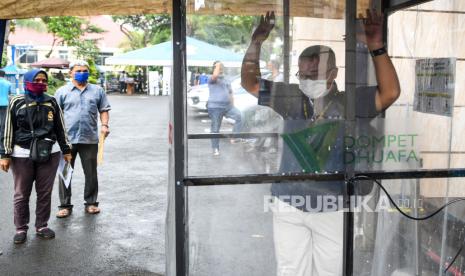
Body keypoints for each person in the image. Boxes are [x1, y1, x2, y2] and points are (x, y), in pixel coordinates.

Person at [241, 10, 400, 276]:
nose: (307, 80)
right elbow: (250, 83)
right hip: (288, 203)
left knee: (332, 270)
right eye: (302, 75)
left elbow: (391, 92)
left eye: (314, 74)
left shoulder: (351, 101)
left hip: (333, 206)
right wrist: (256, 43)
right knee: (291, 270)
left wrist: (376, 48)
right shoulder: (290, 96)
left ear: (333, 73)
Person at [0, 69, 72, 244]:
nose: (40, 83)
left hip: (50, 152)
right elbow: (7, 128)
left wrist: (67, 150)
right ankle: (20, 228)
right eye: (36, 80)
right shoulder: (16, 102)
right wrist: (5, 153)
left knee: (44, 192)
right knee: (21, 194)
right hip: (22, 154)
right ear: (27, 81)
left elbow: (60, 127)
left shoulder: (52, 101)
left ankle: (41, 225)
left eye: (43, 80)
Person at [54, 60, 111, 218]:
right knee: (65, 173)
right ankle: (65, 205)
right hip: (67, 140)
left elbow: (104, 109)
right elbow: (55, 116)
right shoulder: (61, 92)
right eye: (78, 70)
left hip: (89, 139)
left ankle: (91, 203)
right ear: (70, 73)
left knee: (91, 173)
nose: (82, 73)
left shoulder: (97, 91)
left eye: (85, 70)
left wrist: (105, 125)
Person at [207, 61, 242, 156]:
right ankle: (215, 148)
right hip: (215, 108)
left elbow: (230, 93)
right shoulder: (211, 78)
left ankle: (234, 138)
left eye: (221, 66)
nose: (220, 68)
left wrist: (232, 105)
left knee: (239, 116)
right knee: (215, 129)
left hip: (227, 106)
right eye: (218, 67)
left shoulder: (226, 79)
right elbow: (215, 76)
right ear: (214, 68)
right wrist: (218, 66)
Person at [0, 69, 13, 134]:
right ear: (4, 75)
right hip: (5, 103)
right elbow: (10, 93)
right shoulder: (8, 83)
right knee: (3, 118)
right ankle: (2, 132)